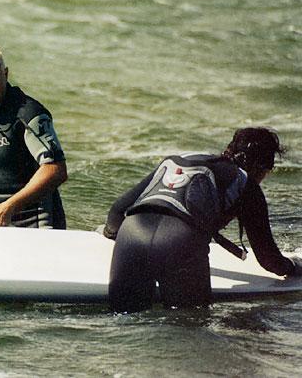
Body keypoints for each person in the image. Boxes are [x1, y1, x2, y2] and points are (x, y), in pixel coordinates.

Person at [102, 127, 302, 312]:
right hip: (181, 243)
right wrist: (294, 267)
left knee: (126, 324)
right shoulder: (247, 185)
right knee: (189, 330)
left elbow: (115, 214)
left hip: (130, 237)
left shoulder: (176, 160)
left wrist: (136, 246)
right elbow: (268, 259)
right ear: (261, 167)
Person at [0, 40, 67, 228]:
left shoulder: (29, 114)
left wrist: (8, 207)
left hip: (37, 220)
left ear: (6, 74)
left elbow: (56, 169)